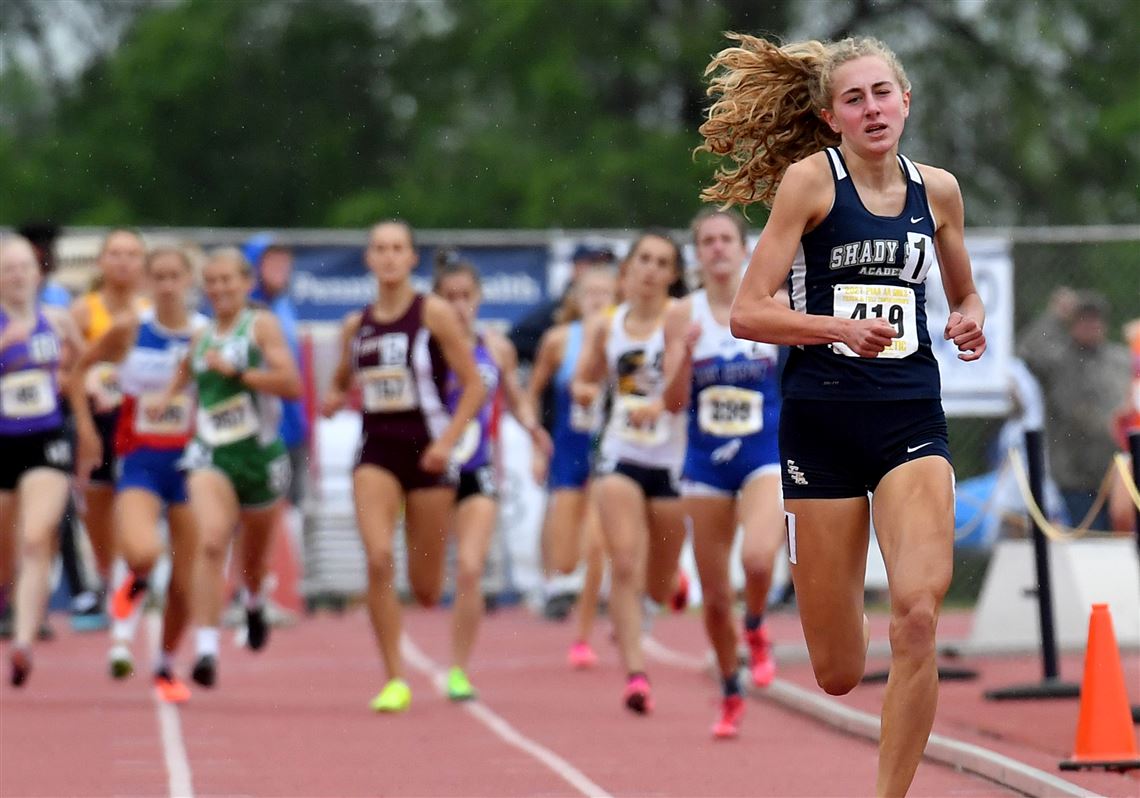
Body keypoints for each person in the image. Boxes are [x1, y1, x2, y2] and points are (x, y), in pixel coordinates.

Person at [703, 35, 986, 795]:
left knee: (920, 619)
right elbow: (747, 312)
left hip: (909, 422)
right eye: (854, 99)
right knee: (835, 672)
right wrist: (837, 328)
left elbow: (963, 295)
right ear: (831, 116)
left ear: (906, 100)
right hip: (818, 429)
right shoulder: (809, 184)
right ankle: (842, 604)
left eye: (882, 94)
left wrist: (969, 317)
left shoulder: (941, 193)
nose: (871, 109)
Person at [320, 221, 485, 713]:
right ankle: (394, 676)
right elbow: (340, 380)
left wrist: (448, 443)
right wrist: (332, 398)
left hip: (429, 451)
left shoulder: (431, 312)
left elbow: (473, 385)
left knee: (428, 588)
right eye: (380, 249)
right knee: (376, 559)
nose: (389, 257)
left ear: (412, 258)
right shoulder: (356, 324)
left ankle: (421, 628)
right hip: (376, 453)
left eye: (398, 249)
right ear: (369, 260)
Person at [661, 209, 784, 739]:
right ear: (697, 253)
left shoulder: (773, 305)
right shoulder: (681, 315)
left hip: (763, 456)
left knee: (758, 559)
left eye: (725, 239)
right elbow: (670, 402)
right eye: (706, 241)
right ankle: (731, 689)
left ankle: (755, 625)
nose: (716, 249)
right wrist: (684, 357)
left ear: (743, 247)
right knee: (713, 597)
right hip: (704, 465)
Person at [154, 248, 302, 689]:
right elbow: (185, 372)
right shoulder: (200, 337)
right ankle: (205, 650)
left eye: (227, 281)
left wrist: (241, 374)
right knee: (212, 540)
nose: (218, 289)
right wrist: (167, 398)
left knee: (253, 561)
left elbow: (291, 384)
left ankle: (254, 600)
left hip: (258, 457)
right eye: (212, 282)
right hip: (210, 454)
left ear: (246, 284)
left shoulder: (260, 326)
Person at [70, 247, 204, 702]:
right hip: (142, 460)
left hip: (193, 467)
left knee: (187, 583)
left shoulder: (205, 333)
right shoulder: (131, 331)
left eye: (175, 276)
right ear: (148, 283)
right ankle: (136, 582)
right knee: (141, 549)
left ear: (189, 280)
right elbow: (78, 372)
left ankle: (166, 663)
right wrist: (87, 429)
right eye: (159, 276)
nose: (167, 285)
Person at [573, 229, 689, 715]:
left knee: (657, 587)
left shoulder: (682, 322)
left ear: (673, 275)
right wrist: (582, 390)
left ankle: (671, 581)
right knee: (623, 561)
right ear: (629, 269)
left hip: (672, 460)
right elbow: (585, 376)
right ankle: (636, 673)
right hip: (620, 453)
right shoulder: (607, 325)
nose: (651, 270)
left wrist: (662, 403)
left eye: (663, 263)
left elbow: (688, 390)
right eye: (644, 259)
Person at [433, 252, 550, 700]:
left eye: (467, 296)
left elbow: (516, 398)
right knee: (421, 578)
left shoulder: (495, 347)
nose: (460, 305)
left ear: (480, 299)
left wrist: (533, 428)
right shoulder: (427, 345)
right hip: (429, 469)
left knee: (469, 568)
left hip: (475, 468)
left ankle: (459, 669)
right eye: (450, 297)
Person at [0, 235, 84, 686]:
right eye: (8, 268)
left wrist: (80, 384)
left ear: (38, 273)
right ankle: (4, 597)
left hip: (46, 442)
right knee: (3, 548)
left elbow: (86, 365)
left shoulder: (57, 320)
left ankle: (24, 641)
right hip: (1, 442)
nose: (17, 276)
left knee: (34, 539)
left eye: (24, 267)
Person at [526, 261, 617, 669]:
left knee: (596, 539)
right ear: (576, 300)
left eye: (605, 291)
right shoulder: (559, 340)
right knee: (565, 550)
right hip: (568, 445)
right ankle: (556, 583)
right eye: (590, 292)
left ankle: (584, 630)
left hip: (609, 446)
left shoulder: (626, 334)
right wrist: (533, 441)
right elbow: (532, 393)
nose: (598, 299)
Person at [68, 228, 149, 631]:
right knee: (98, 506)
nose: (122, 261)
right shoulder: (84, 312)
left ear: (142, 263)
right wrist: (89, 389)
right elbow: (65, 372)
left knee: (143, 502)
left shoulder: (152, 310)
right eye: (114, 253)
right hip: (98, 421)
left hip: (143, 423)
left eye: (131, 254)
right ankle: (106, 579)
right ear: (101, 261)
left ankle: (142, 578)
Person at [1023, 292, 1130, 530]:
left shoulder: (1119, 360)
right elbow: (1029, 351)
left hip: (1119, 475)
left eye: (1096, 319)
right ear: (1072, 324)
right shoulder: (1059, 360)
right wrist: (1053, 316)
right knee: (1091, 544)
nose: (1091, 326)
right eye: (1084, 319)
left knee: (1125, 546)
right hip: (1077, 479)